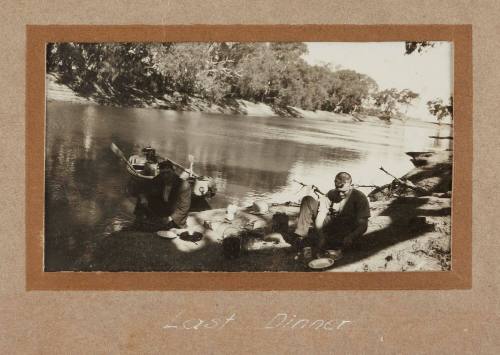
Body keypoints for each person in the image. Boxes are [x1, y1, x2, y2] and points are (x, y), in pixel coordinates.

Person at [290, 172, 370, 256]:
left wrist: (351, 237)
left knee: (343, 238)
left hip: (347, 227)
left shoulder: (360, 197)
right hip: (332, 222)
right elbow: (320, 216)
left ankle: (334, 242)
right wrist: (321, 237)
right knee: (308, 200)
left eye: (344, 192)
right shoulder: (331, 193)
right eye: (338, 190)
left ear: (351, 185)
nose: (340, 194)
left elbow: (363, 225)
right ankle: (301, 236)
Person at [134, 160, 192, 230]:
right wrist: (143, 197)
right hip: (163, 209)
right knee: (141, 199)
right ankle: (137, 221)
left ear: (173, 171)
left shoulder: (184, 185)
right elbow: (143, 188)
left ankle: (164, 223)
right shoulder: (159, 178)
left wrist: (170, 218)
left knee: (158, 228)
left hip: (175, 214)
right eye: (163, 173)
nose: (166, 176)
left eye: (168, 172)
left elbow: (183, 209)